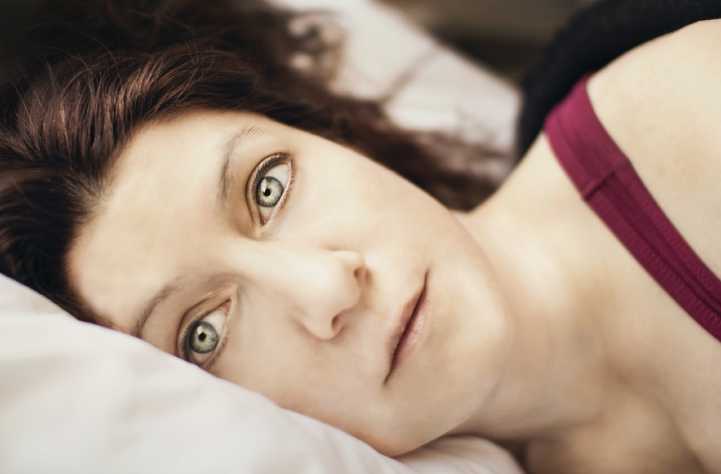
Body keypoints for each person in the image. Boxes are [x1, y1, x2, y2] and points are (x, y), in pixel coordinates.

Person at [1, 0, 720, 472]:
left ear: (331, 137)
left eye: (269, 187)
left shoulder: (687, 120)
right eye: (205, 332)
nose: (326, 289)